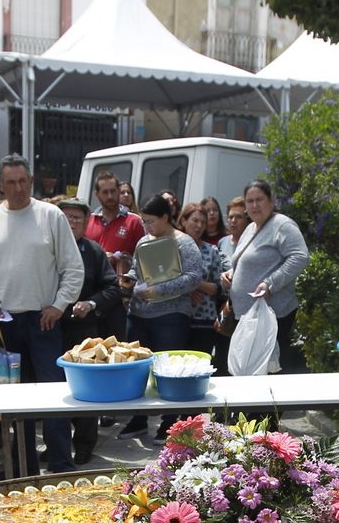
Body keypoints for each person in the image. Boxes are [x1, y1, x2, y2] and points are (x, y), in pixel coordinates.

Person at [0, 153, 84, 475]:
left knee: (53, 397)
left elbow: (73, 268)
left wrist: (59, 306)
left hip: (43, 320)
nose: (18, 188)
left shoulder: (51, 215)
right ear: (0, 184)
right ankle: (23, 466)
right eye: (11, 182)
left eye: (23, 181)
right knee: (14, 401)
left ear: (31, 181)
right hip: (4, 321)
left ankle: (61, 465)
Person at [116, 195, 203, 440]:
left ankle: (169, 422)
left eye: (151, 221)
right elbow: (138, 269)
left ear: (165, 217)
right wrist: (129, 279)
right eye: (144, 221)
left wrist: (160, 290)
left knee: (168, 370)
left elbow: (194, 277)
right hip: (138, 314)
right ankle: (138, 419)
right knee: (138, 369)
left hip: (171, 316)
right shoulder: (144, 241)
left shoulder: (184, 242)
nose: (146, 226)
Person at [220, 179, 312, 376]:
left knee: (269, 373)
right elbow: (246, 261)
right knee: (249, 373)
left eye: (259, 199)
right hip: (246, 317)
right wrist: (231, 274)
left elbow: (300, 256)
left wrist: (270, 283)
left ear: (271, 200)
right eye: (250, 201)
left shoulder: (282, 225)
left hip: (272, 316)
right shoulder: (250, 228)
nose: (254, 205)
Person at [56, 198, 123, 464]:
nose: (71, 222)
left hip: (83, 331)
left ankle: (84, 444)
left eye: (76, 218)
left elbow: (113, 288)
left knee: (84, 389)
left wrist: (91, 303)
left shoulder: (94, 251)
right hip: (50, 328)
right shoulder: (47, 248)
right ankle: (57, 443)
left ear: (86, 223)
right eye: (66, 217)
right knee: (55, 389)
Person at [178, 203, 226, 363]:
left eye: (203, 222)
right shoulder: (172, 248)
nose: (199, 226)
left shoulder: (211, 250)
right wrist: (188, 290)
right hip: (177, 318)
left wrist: (194, 282)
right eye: (195, 220)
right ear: (184, 221)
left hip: (204, 320)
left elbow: (218, 288)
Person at [85, 170, 145, 279]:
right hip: (93, 284)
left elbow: (144, 259)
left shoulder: (134, 221)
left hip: (122, 285)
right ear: (97, 194)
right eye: (105, 192)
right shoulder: (88, 222)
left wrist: (124, 260)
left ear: (118, 191)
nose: (110, 196)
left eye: (113, 191)